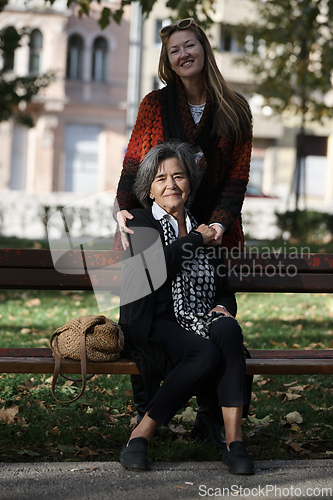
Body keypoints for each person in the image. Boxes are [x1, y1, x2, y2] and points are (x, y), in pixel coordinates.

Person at [114, 17, 253, 447]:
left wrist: (216, 225)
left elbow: (236, 180)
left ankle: (212, 419)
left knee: (212, 315)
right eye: (175, 50)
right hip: (164, 225)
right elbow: (136, 165)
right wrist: (125, 210)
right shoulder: (155, 105)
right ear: (168, 60)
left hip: (214, 229)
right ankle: (148, 412)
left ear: (204, 50)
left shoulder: (235, 107)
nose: (183, 54)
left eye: (189, 46)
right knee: (160, 312)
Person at [119, 141, 254, 475]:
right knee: (206, 354)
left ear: (189, 184)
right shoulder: (139, 223)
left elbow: (225, 291)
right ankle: (142, 434)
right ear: (149, 190)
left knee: (228, 329)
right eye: (161, 179)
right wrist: (196, 240)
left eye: (178, 176)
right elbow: (155, 267)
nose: (171, 185)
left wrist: (222, 308)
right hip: (155, 321)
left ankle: (234, 441)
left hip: (199, 319)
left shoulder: (202, 228)